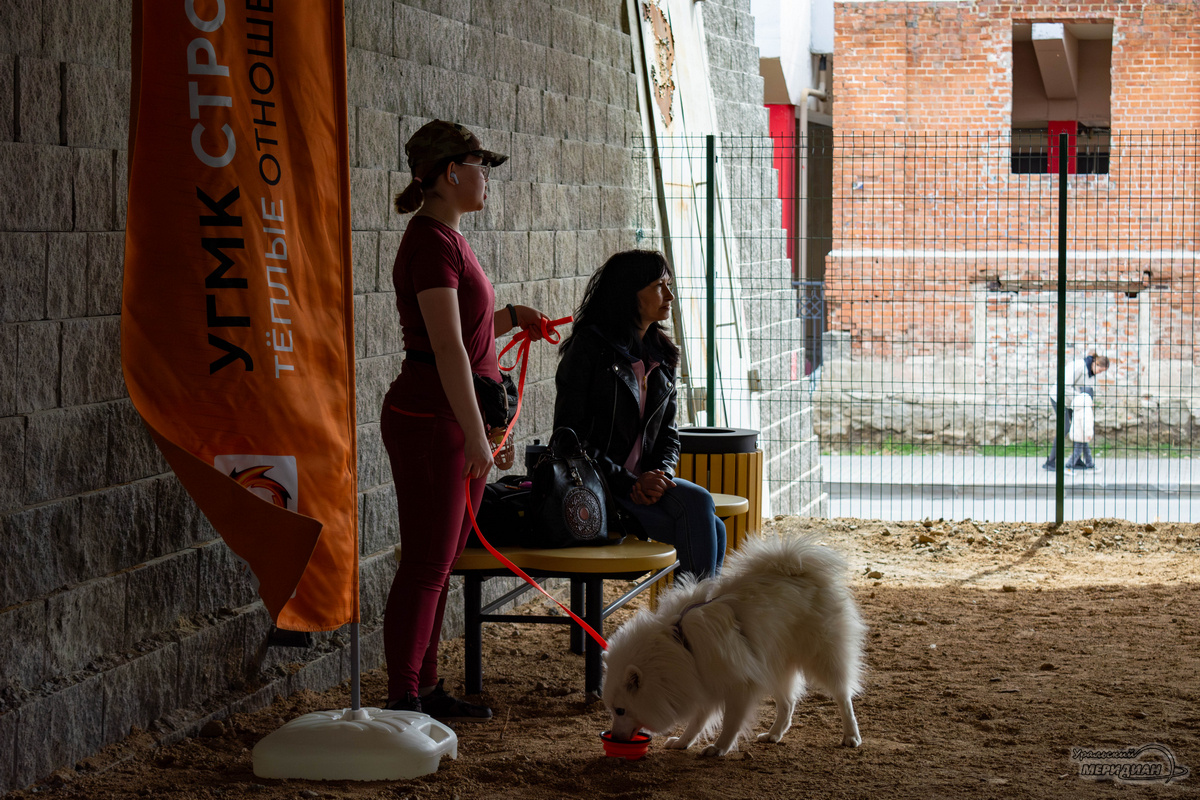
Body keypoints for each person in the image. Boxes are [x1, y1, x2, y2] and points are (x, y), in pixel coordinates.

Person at [381, 120, 547, 721]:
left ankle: (420, 688)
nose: (487, 178)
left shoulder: (448, 238)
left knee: (438, 561)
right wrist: (479, 438)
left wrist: (510, 316)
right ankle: (404, 697)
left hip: (448, 416)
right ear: (452, 172)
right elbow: (446, 349)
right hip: (432, 419)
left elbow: (467, 333)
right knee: (427, 563)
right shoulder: (429, 242)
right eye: (482, 166)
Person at [553, 250, 726, 580]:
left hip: (643, 486)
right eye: (659, 285)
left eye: (669, 284)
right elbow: (567, 440)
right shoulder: (590, 349)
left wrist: (659, 474)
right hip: (598, 487)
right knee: (709, 525)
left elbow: (669, 435)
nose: (669, 295)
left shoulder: (661, 355)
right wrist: (630, 481)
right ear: (629, 292)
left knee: (709, 520)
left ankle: (690, 620)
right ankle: (692, 621)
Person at [1042, 352, 1110, 471]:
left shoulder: (1090, 373)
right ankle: (1050, 462)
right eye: (1100, 370)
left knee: (1079, 427)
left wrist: (1087, 401)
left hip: (1074, 402)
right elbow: (1065, 386)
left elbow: (1087, 390)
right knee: (1065, 428)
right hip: (1059, 398)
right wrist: (1082, 398)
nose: (1100, 373)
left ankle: (1078, 460)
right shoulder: (1079, 366)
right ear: (1096, 363)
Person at [1065, 386, 1096, 471]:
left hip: (1077, 433)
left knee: (1086, 449)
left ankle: (1089, 464)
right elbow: (1086, 424)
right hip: (1082, 434)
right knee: (1077, 452)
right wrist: (1088, 434)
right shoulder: (1086, 409)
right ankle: (1069, 465)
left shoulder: (1079, 407)